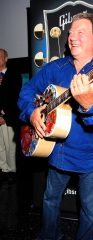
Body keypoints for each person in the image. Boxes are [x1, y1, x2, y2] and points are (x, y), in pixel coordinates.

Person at [18, 13, 93, 240]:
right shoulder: (55, 68)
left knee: (90, 212)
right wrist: (32, 112)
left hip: (91, 156)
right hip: (57, 149)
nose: (72, 37)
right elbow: (26, 92)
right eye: (70, 33)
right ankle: (49, 235)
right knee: (49, 199)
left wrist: (89, 105)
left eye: (80, 32)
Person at [0, 49, 22, 181]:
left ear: (6, 58)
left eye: (0, 56)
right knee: (0, 145)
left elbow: (16, 99)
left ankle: (12, 170)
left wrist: (5, 117)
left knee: (10, 146)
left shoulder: (14, 75)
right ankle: (3, 168)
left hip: (9, 118)